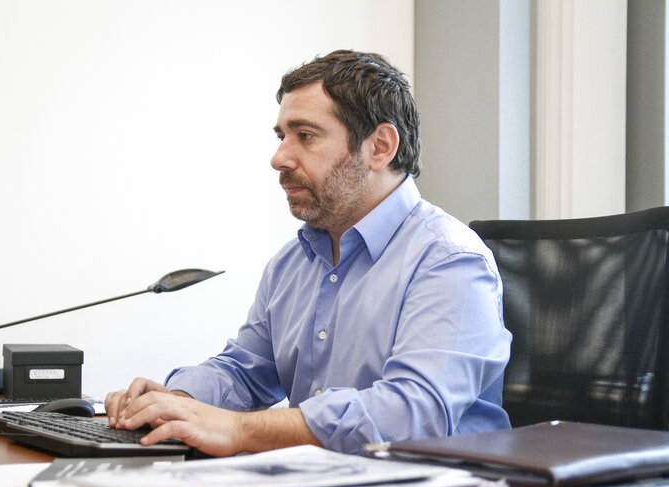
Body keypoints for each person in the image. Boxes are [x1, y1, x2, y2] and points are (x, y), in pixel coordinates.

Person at [105, 49, 512, 457]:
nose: (279, 157)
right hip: (317, 484)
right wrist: (176, 401)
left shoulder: (450, 260)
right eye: (281, 136)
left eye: (305, 136)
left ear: (380, 147)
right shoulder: (291, 262)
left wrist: (240, 430)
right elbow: (245, 373)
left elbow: (412, 413)